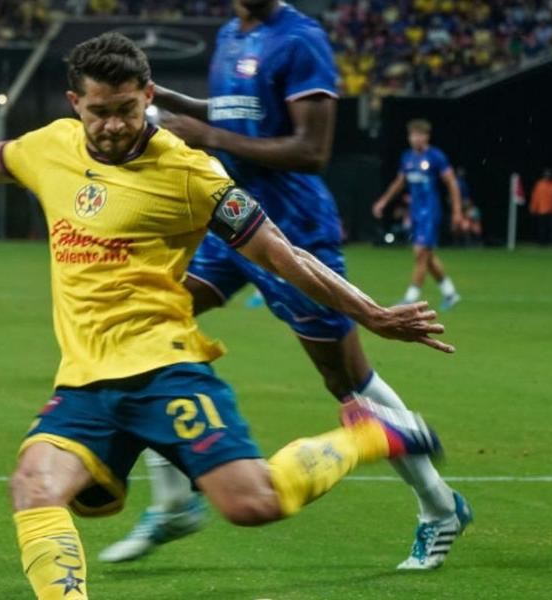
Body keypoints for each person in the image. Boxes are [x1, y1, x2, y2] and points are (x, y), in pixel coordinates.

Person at [0, 33, 452, 599]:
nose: (115, 125)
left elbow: (281, 253)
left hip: (165, 370)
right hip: (84, 381)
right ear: (76, 104)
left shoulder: (192, 172)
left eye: (127, 109)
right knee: (33, 486)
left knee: (252, 504)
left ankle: (368, 435)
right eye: (100, 113)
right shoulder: (51, 146)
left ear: (148, 95)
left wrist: (371, 313)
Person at [104, 0, 471, 571]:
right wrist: (167, 100)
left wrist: (207, 136)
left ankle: (440, 506)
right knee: (147, 321)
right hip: (231, 219)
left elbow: (311, 151)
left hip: (292, 231)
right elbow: (238, 113)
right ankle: (176, 502)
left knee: (347, 381)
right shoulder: (231, 33)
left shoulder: (300, 39)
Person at [373, 118, 465, 309]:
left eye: (418, 135)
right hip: (415, 212)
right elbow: (399, 183)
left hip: (430, 212)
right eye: (412, 135)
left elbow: (451, 183)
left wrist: (457, 211)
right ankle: (450, 293)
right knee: (427, 256)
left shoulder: (436, 157)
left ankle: (410, 297)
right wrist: (383, 201)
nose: (415, 139)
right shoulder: (407, 158)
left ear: (426, 136)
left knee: (421, 253)